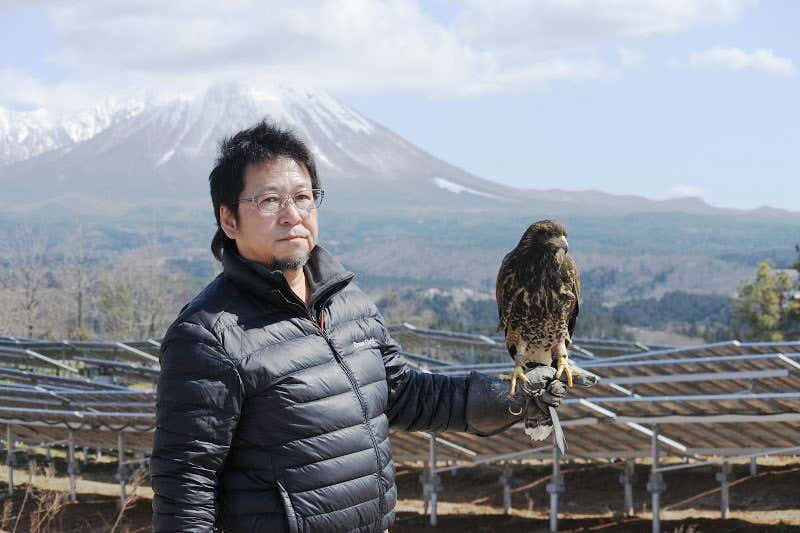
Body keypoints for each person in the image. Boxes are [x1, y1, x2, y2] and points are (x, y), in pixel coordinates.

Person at [150, 120, 590, 533]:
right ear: (229, 219)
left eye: (303, 197)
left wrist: (508, 400)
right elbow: (185, 484)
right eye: (269, 201)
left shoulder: (347, 303)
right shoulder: (209, 336)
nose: (292, 215)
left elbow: (402, 394)